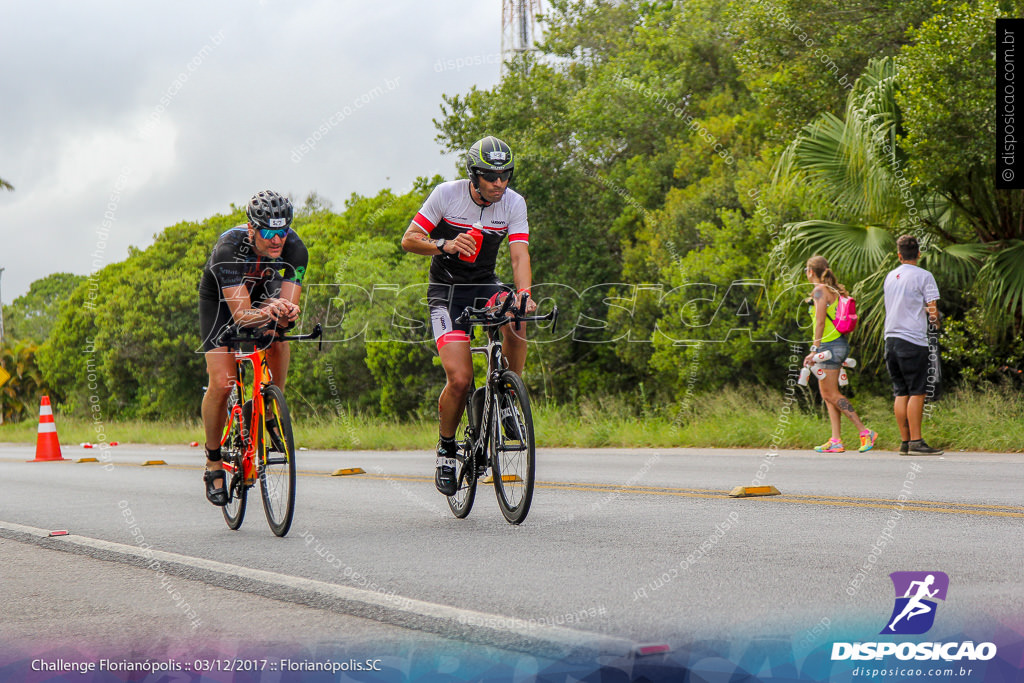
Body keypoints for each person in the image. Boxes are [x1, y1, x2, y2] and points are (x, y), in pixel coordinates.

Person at [400, 136, 535, 495]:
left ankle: (508, 397)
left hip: (484, 283)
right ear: (473, 176)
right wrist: (444, 244)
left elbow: (519, 254)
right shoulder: (447, 194)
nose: (499, 184)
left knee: (517, 315)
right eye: (491, 177)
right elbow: (409, 239)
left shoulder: (513, 203)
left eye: (505, 175)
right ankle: (446, 448)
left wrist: (523, 294)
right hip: (446, 293)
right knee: (460, 380)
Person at [198, 190, 306, 506]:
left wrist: (286, 311)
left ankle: (269, 407)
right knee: (222, 382)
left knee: (280, 332)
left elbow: (287, 304)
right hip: (222, 302)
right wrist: (265, 312)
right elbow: (242, 315)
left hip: (263, 289)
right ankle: (213, 459)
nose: (277, 240)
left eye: (282, 231)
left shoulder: (296, 249)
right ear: (251, 229)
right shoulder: (229, 249)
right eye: (269, 232)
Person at [803, 255, 877, 453]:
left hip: (828, 346)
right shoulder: (832, 290)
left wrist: (813, 349)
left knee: (831, 393)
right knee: (827, 394)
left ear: (811, 272)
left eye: (806, 271)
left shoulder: (819, 291)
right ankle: (836, 439)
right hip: (837, 344)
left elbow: (819, 322)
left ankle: (865, 431)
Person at [883, 235, 942, 455]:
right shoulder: (924, 276)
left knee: (900, 392)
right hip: (913, 340)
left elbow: (902, 306)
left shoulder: (890, 276)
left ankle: (905, 442)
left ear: (899, 255)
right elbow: (932, 309)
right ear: (918, 254)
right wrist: (934, 321)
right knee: (917, 391)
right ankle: (917, 442)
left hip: (891, 340)